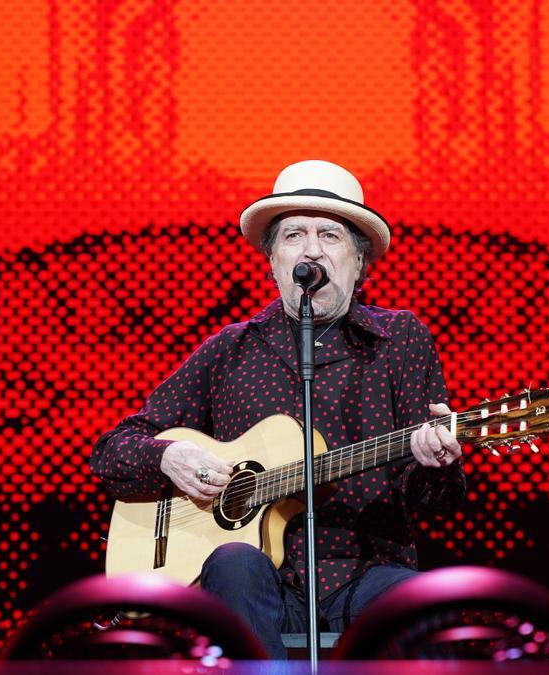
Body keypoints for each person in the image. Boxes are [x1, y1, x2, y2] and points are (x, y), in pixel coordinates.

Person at [90, 160, 464, 658]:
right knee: (234, 562)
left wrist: (437, 462)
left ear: (359, 261)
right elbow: (113, 451)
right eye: (293, 236)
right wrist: (167, 456)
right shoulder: (231, 348)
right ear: (273, 260)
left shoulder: (400, 340)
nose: (311, 250)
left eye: (330, 235)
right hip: (257, 587)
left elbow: (437, 501)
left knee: (426, 603)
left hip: (364, 572)